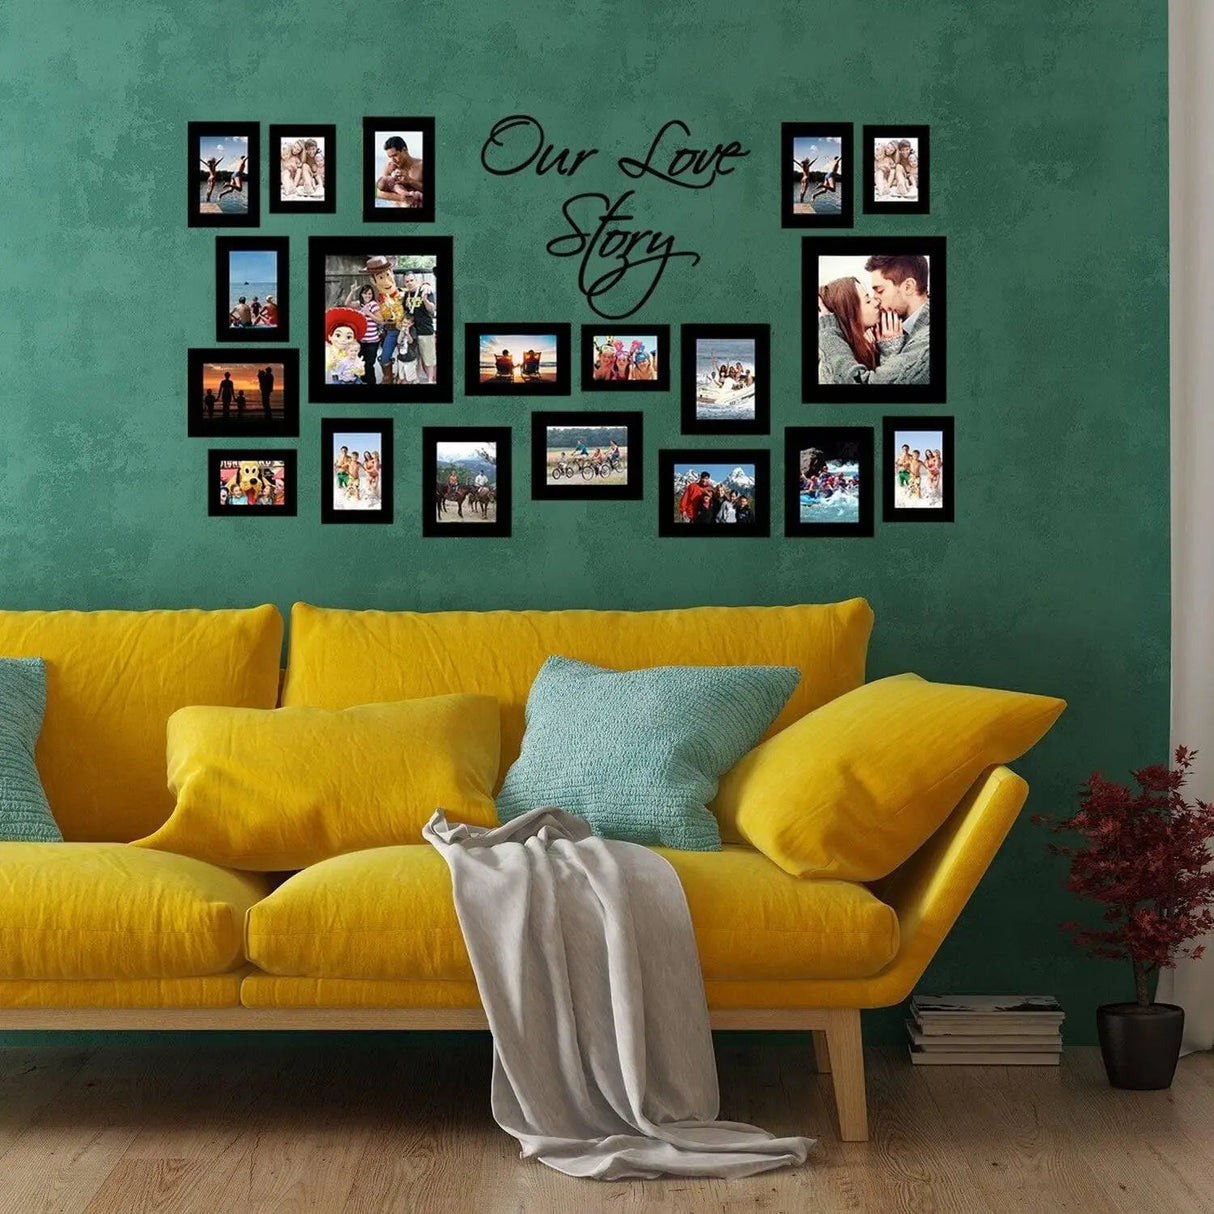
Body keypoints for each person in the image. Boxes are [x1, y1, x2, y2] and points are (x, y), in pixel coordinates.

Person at [818, 254, 931, 386]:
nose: (876, 300)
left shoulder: (925, 343)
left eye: (880, 291)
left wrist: (828, 333)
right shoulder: (893, 332)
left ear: (908, 287)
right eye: (868, 299)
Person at [401, 270, 437, 383]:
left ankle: (430, 381)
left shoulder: (425, 291)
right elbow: (405, 312)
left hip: (425, 330)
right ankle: (416, 379)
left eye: (411, 280)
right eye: (407, 281)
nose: (409, 283)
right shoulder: (406, 295)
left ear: (416, 280)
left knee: (428, 359)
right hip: (412, 333)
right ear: (404, 283)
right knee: (415, 358)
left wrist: (425, 300)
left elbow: (432, 309)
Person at [346, 283, 382, 384]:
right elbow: (347, 303)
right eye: (365, 293)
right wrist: (352, 291)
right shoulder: (360, 304)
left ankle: (371, 382)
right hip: (361, 341)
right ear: (361, 294)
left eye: (370, 294)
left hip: (372, 342)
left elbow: (380, 320)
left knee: (369, 364)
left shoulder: (373, 305)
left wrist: (369, 313)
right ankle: (363, 381)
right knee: (360, 363)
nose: (368, 296)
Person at [376, 135, 425, 207]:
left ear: (404, 150)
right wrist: (402, 198)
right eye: (390, 157)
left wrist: (410, 181)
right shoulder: (390, 167)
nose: (393, 160)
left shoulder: (421, 166)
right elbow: (379, 193)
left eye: (395, 155)